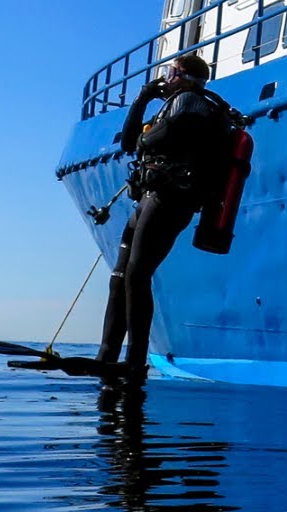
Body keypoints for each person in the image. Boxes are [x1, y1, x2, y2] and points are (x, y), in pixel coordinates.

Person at [95, 54, 230, 382]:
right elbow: (129, 142)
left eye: (171, 73)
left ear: (186, 78)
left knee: (137, 275)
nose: (165, 78)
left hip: (172, 199)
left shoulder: (191, 103)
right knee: (121, 276)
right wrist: (142, 98)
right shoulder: (170, 105)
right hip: (150, 198)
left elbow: (157, 137)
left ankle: (135, 361)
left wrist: (146, 136)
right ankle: (106, 356)